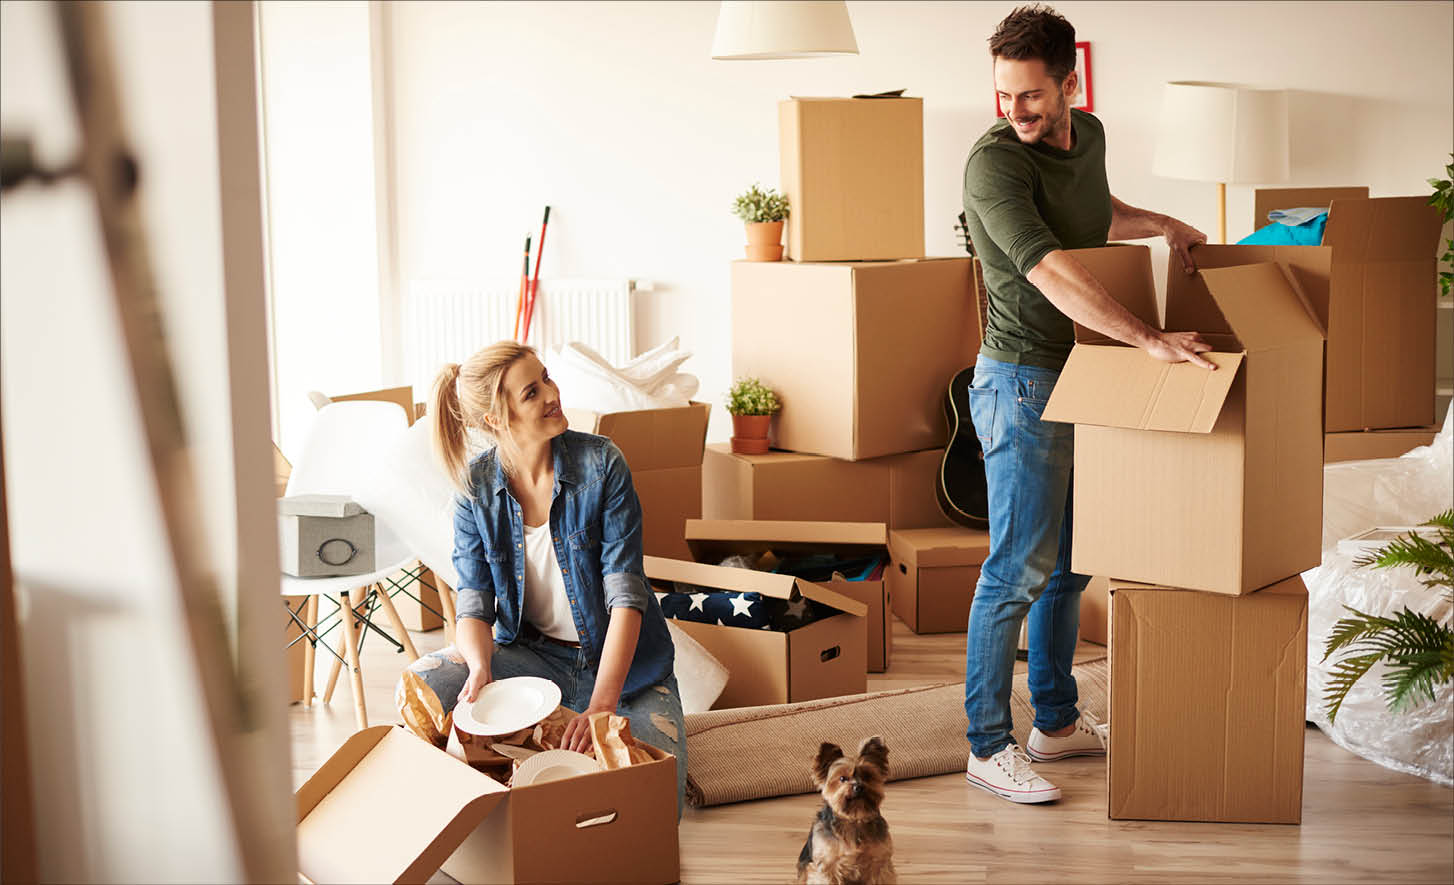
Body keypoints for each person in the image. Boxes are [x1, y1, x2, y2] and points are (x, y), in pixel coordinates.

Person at [960, 4, 1215, 804]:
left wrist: (1162, 223)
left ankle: (1056, 722)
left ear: (1071, 84)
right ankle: (986, 743)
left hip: (1082, 374)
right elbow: (1052, 268)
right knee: (1017, 568)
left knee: (1070, 566)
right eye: (1004, 95)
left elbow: (1093, 215)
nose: (1015, 111)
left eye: (1031, 95)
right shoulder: (993, 165)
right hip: (1021, 381)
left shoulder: (1091, 135)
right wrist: (1148, 339)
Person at [399, 340, 687, 811]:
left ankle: (552, 740)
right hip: (532, 659)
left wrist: (600, 705)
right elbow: (474, 599)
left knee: (654, 800)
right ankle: (477, 797)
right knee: (425, 683)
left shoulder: (602, 464)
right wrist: (480, 668)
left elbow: (627, 597)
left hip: (626, 670)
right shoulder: (475, 488)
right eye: (531, 393)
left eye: (546, 379)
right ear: (496, 419)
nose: (552, 394)